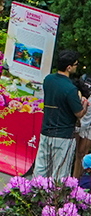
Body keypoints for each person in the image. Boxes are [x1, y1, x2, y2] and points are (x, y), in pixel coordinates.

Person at [34, 49, 87, 178]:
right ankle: (53, 198)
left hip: (46, 131)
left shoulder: (48, 80)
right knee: (59, 174)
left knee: (40, 170)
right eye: (75, 64)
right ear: (69, 67)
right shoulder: (70, 88)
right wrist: (84, 104)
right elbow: (79, 113)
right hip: (64, 135)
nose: (76, 67)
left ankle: (33, 194)